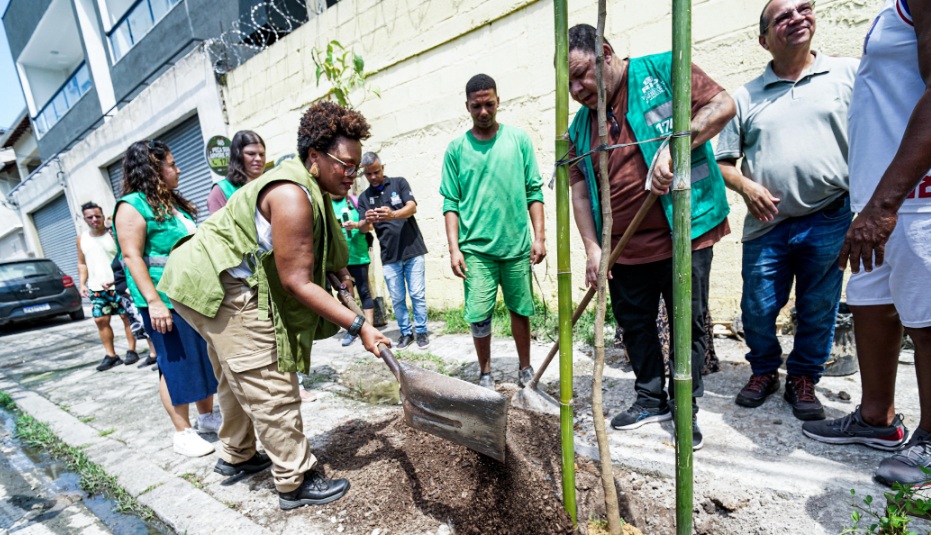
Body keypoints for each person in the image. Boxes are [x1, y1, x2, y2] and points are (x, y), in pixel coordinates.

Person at [159, 101, 391, 510]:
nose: (351, 175)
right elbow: (297, 281)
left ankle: (236, 455)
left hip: (199, 277)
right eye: (345, 164)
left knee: (235, 374)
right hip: (213, 284)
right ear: (314, 156)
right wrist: (360, 326)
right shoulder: (291, 195)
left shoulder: (312, 187)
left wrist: (339, 275)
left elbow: (321, 250)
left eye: (356, 166)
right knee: (268, 376)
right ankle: (294, 480)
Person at [566, 24, 735, 450]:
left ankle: (684, 407)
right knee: (634, 323)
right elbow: (580, 188)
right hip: (623, 248)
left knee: (687, 323)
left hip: (684, 233)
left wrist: (677, 146)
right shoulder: (579, 127)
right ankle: (648, 397)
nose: (576, 88)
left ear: (605, 53)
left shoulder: (663, 70)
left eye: (582, 74)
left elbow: (722, 104)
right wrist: (591, 246)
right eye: (567, 82)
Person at [802, 0, 931, 487]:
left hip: (915, 195)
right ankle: (876, 418)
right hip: (881, 195)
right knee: (869, 301)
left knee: (927, 319)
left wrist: (885, 203)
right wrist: (873, 202)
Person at [715, 0, 857, 421]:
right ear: (764, 40)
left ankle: (803, 378)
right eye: (783, 16)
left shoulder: (847, 75)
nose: (797, 17)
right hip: (767, 223)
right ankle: (763, 371)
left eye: (804, 8)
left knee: (818, 305)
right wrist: (746, 186)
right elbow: (722, 161)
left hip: (829, 215)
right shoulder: (744, 97)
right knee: (757, 307)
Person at [113, 140, 220, 458]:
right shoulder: (132, 205)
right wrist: (154, 301)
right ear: (153, 170)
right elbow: (131, 257)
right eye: (172, 165)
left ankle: (207, 419)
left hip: (191, 298)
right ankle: (182, 432)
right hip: (163, 301)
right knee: (174, 365)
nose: (179, 169)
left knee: (202, 359)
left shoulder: (172, 203)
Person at [440, 74, 546, 390]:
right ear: (467, 107)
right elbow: (451, 201)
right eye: (476, 106)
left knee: (520, 310)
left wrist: (539, 237)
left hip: (516, 246)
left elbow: (534, 191)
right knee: (479, 316)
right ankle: (485, 374)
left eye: (489, 104)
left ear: (498, 101)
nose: (483, 111)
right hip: (475, 251)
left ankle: (525, 368)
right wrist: (454, 248)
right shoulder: (456, 150)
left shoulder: (519, 140)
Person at [355, 152, 430, 349]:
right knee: (397, 298)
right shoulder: (364, 197)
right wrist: (367, 220)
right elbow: (364, 228)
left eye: (376, 172)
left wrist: (392, 214)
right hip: (389, 255)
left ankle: (421, 331)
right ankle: (406, 333)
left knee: (417, 294)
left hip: (413, 249)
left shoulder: (399, 183)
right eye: (368, 174)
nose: (373, 177)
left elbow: (412, 207)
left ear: (383, 168)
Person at [77, 202, 140, 371]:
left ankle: (131, 350)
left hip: (116, 285)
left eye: (98, 216)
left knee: (126, 317)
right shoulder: (82, 238)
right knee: (100, 320)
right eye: (90, 217)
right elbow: (82, 264)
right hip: (96, 287)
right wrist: (82, 283)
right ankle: (111, 355)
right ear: (85, 219)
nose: (94, 220)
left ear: (103, 216)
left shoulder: (113, 235)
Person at [331, 191, 374, 346]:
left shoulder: (356, 201)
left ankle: (369, 329)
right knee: (346, 295)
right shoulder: (326, 205)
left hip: (359, 255)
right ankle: (352, 329)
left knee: (364, 291)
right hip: (340, 259)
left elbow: (368, 227)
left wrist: (355, 225)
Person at [111, 256, 159, 368]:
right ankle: (153, 354)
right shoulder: (120, 253)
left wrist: (131, 287)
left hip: (135, 294)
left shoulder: (129, 252)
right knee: (143, 328)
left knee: (152, 326)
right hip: (126, 296)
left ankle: (161, 355)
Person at [207, 130, 266, 214]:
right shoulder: (221, 190)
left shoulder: (270, 183)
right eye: (251, 154)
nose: (258, 159)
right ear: (238, 156)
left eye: (262, 154)